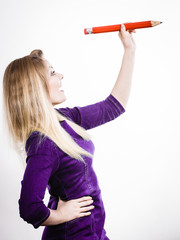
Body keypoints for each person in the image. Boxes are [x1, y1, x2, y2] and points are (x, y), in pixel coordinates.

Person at [3, 24, 136, 239]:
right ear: (36, 87)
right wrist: (59, 215)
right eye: (53, 73)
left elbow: (113, 107)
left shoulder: (64, 117)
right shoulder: (42, 142)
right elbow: (29, 207)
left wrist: (129, 50)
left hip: (94, 232)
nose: (61, 76)